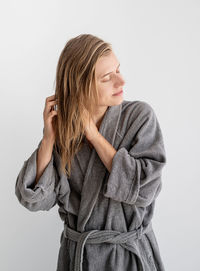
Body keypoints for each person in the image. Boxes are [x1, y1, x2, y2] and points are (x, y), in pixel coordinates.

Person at [15, 33, 167, 271]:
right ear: (80, 86)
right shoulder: (65, 133)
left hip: (128, 259)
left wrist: (94, 136)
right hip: (79, 260)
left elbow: (145, 190)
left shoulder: (139, 117)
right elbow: (34, 200)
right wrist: (48, 138)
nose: (121, 81)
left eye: (118, 69)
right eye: (107, 77)